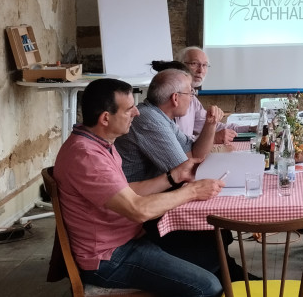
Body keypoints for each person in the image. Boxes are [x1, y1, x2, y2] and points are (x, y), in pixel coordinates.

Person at [52, 78, 223, 296]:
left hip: (129, 241)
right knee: (208, 286)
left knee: (211, 251)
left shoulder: (98, 143)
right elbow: (138, 210)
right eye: (129, 109)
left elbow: (126, 190)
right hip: (110, 259)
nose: (137, 113)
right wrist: (193, 190)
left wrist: (174, 176)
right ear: (105, 118)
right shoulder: (87, 156)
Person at [114, 68, 221, 182]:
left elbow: (196, 155)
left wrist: (210, 124)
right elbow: (186, 173)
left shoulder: (161, 116)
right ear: (175, 98)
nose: (192, 98)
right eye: (190, 93)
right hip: (133, 196)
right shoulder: (149, 119)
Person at [173, 46, 252, 143]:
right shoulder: (173, 98)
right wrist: (213, 138)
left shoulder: (192, 99)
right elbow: (176, 142)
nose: (201, 70)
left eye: (205, 65)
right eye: (194, 63)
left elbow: (213, 126)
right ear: (179, 66)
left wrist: (249, 129)